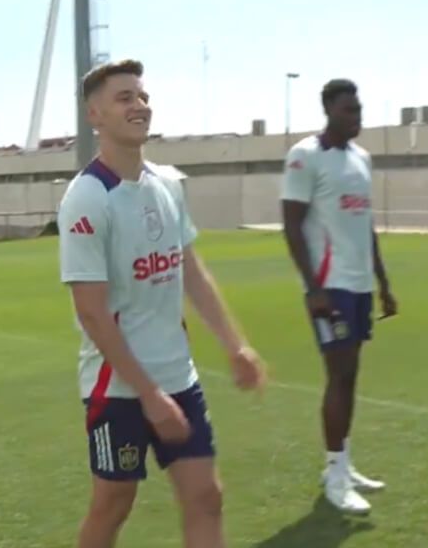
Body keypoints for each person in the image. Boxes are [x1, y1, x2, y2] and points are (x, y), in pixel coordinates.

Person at [57, 59, 267, 548]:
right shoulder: (87, 198)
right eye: (124, 98)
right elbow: (92, 311)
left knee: (205, 496)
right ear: (95, 115)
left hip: (179, 376)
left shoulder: (167, 184)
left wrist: (235, 346)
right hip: (118, 387)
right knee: (113, 505)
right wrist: (150, 396)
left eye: (142, 96)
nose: (139, 105)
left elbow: (190, 271)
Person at [280, 78, 397, 515]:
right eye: (350, 109)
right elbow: (291, 224)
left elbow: (365, 225)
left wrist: (383, 283)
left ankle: (344, 466)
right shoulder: (305, 156)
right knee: (339, 375)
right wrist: (312, 288)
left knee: (350, 378)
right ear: (329, 109)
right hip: (329, 288)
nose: (358, 115)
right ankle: (334, 473)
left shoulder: (362, 159)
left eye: (359, 108)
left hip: (359, 286)